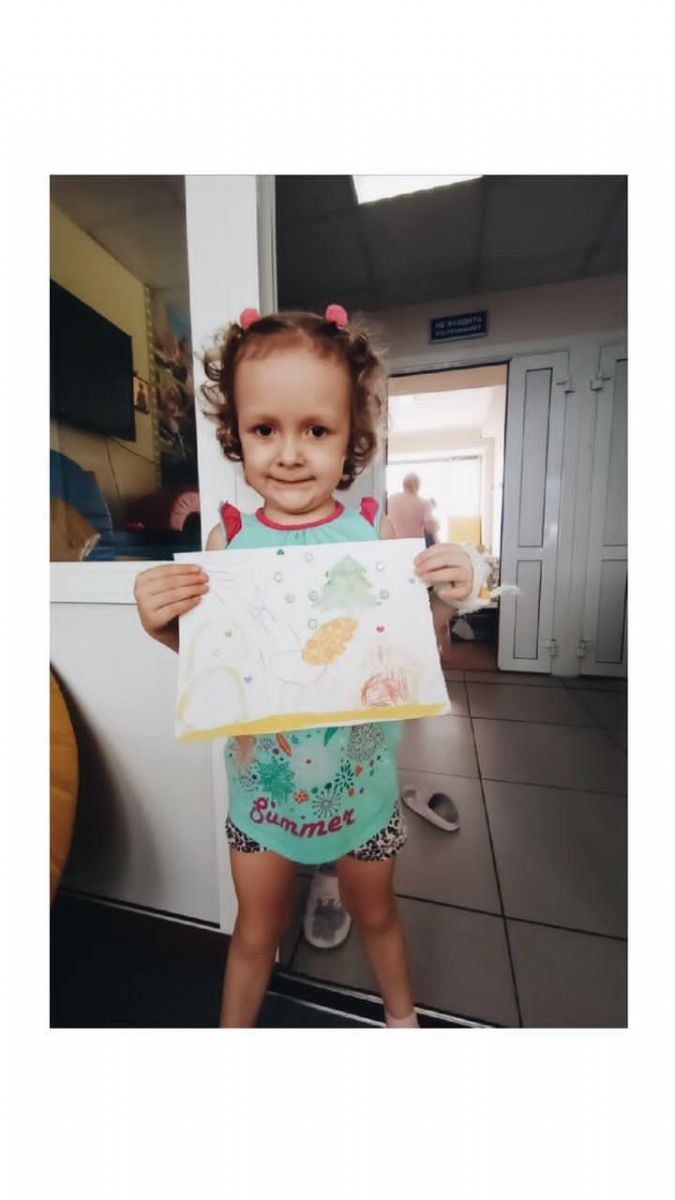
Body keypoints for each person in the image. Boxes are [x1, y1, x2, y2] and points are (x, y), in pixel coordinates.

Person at [133, 304, 475, 1028]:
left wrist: (447, 601)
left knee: (376, 914)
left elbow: (415, 654)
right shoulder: (226, 543)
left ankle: (402, 1022)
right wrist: (162, 629)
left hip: (364, 792)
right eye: (265, 429)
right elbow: (217, 667)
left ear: (352, 436)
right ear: (236, 433)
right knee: (255, 930)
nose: (289, 453)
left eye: (316, 430)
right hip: (262, 798)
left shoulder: (374, 532)